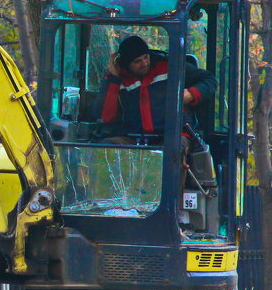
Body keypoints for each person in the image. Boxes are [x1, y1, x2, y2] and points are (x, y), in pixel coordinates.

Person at [92, 35, 216, 210]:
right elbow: (106, 116)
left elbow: (209, 80)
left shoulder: (169, 66)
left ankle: (170, 210)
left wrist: (192, 93)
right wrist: (113, 78)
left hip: (172, 134)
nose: (144, 63)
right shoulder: (118, 79)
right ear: (126, 64)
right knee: (107, 147)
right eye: (137, 61)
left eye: (146, 57)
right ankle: (109, 207)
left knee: (174, 148)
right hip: (134, 137)